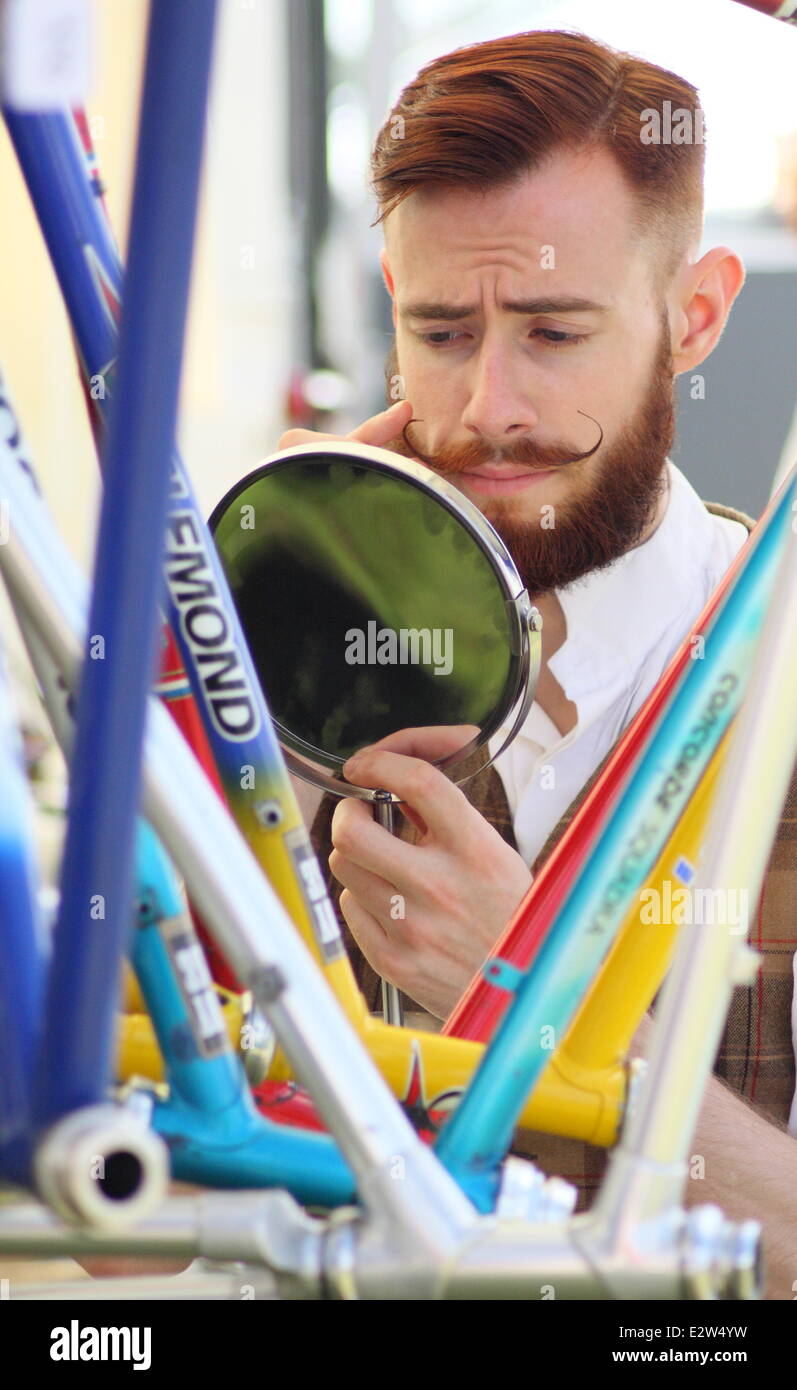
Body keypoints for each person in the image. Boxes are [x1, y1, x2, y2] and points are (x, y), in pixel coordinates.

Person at [279, 30, 797, 1298]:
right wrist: (262, 730)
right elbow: (105, 1240)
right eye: (440, 332)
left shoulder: (772, 673)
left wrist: (532, 1008)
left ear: (696, 314)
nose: (485, 409)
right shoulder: (289, 668)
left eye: (554, 333)